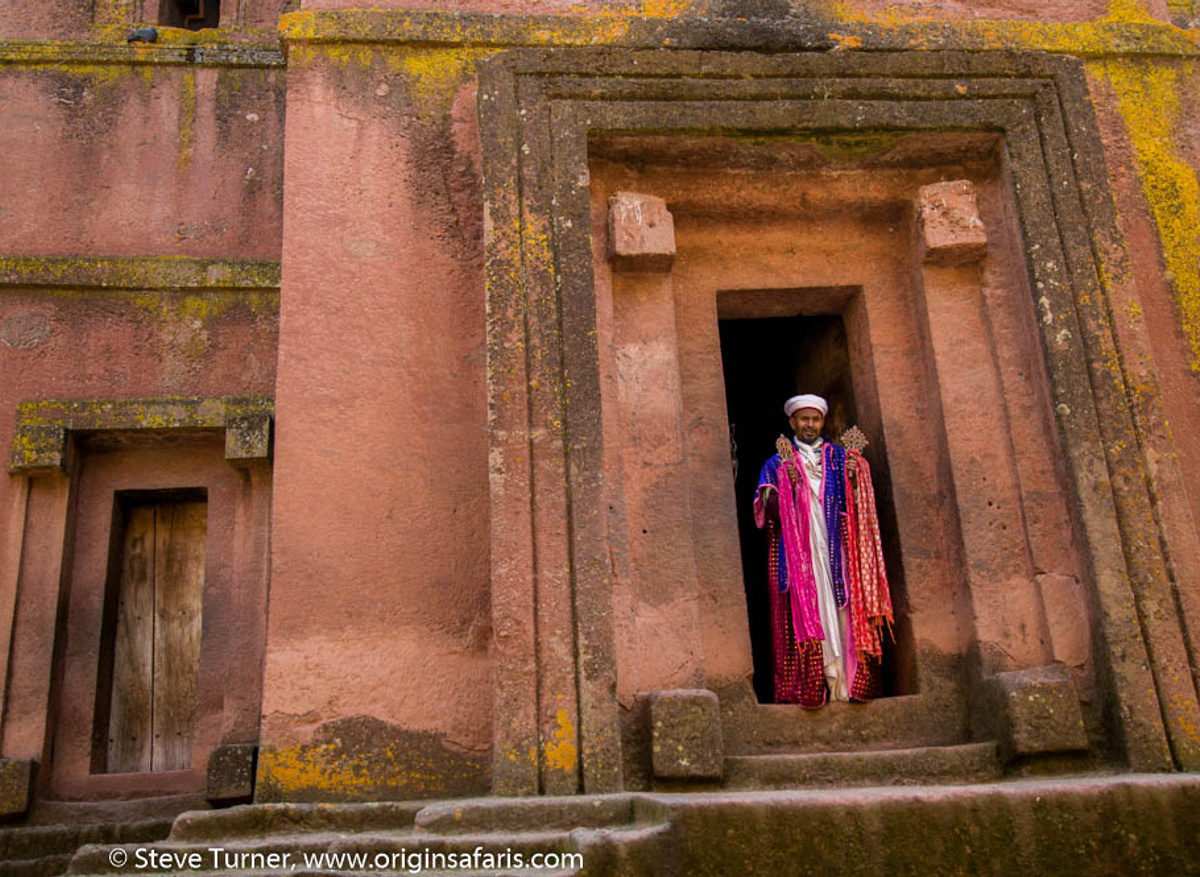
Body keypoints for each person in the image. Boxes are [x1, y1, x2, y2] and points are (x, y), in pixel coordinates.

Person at [754, 394, 893, 708]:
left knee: (844, 608)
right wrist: (785, 486)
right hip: (801, 555)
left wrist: (858, 476)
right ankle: (817, 686)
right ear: (792, 422)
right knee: (810, 610)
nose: (809, 425)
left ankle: (849, 685)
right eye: (804, 419)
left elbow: (855, 501)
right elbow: (768, 513)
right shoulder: (777, 462)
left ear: (822, 422)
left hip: (838, 551)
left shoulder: (839, 458)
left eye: (815, 419)